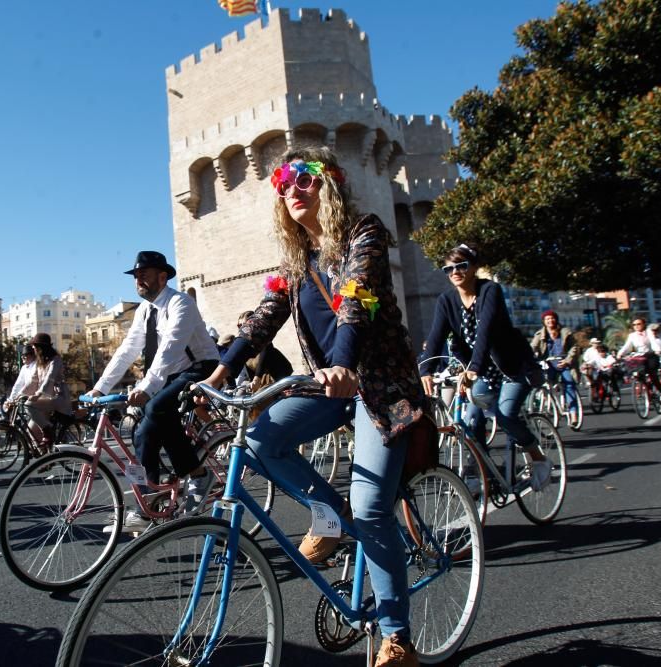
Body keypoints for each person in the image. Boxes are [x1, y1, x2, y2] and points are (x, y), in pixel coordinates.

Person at [201, 147, 423, 666]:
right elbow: (262, 318)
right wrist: (218, 371)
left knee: (374, 509)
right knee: (259, 441)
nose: (291, 189)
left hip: (380, 388)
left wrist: (343, 363)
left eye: (304, 178)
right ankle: (331, 514)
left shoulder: (364, 233)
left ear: (331, 184)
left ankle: (397, 638)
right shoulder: (296, 262)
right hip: (328, 387)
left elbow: (357, 296)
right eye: (282, 181)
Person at [86, 250, 220, 530]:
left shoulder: (180, 303)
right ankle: (149, 501)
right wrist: (99, 389)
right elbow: (127, 351)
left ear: (162, 276)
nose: (139, 281)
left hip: (201, 367)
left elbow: (170, 347)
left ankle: (198, 474)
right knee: (142, 431)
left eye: (144, 275)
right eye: (136, 277)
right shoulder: (144, 311)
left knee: (156, 407)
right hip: (170, 374)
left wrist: (147, 387)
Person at [420, 244, 553, 489]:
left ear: (474, 267)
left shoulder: (490, 290)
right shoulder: (446, 300)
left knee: (505, 415)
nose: (455, 272)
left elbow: (486, 333)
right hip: (480, 370)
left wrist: (473, 369)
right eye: (449, 269)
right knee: (471, 420)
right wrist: (425, 370)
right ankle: (484, 472)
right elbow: (436, 336)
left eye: (461, 266)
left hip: (512, 367)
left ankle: (539, 458)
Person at [530, 310, 581, 423]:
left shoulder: (565, 332)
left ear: (556, 319)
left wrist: (567, 361)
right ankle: (548, 404)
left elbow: (574, 347)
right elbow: (532, 347)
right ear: (544, 321)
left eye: (552, 318)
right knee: (545, 383)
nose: (550, 321)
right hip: (548, 364)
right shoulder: (540, 334)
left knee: (569, 384)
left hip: (564, 363)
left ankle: (573, 414)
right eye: (547, 319)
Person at [22, 333, 71, 447]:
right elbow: (33, 381)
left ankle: (47, 429)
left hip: (58, 398)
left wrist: (38, 394)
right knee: (31, 430)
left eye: (34, 346)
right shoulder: (39, 362)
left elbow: (50, 378)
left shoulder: (56, 359)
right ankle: (44, 459)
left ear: (40, 347)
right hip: (45, 399)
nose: (32, 348)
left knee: (29, 405)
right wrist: (18, 396)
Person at [618, 316, 661, 404]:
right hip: (639, 357)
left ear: (644, 324)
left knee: (653, 376)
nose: (636, 326)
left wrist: (657, 349)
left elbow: (653, 342)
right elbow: (627, 346)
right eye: (634, 324)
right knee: (638, 373)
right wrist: (620, 353)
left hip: (651, 355)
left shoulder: (649, 333)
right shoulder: (632, 335)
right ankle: (646, 390)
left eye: (639, 324)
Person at [4, 346, 38, 411]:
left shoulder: (36, 365)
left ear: (32, 356)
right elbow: (18, 384)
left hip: (36, 399)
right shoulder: (24, 368)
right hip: (26, 398)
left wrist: (18, 396)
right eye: (22, 355)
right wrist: (11, 399)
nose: (22, 357)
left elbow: (31, 383)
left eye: (25, 355)